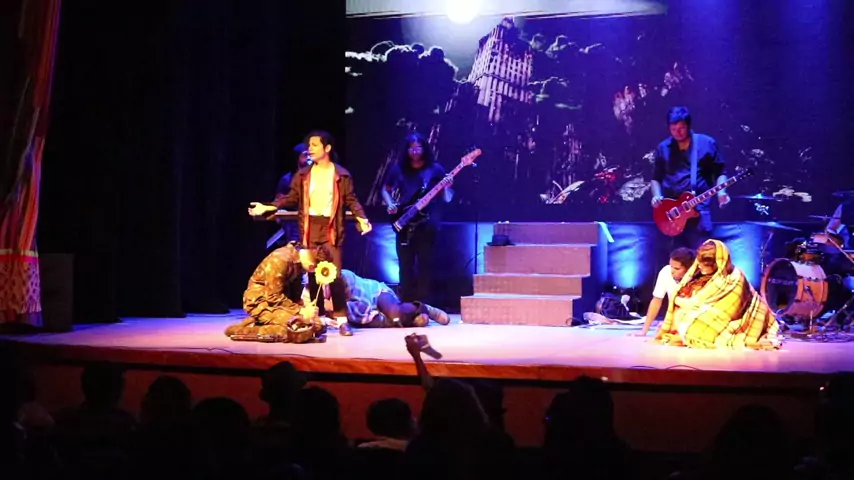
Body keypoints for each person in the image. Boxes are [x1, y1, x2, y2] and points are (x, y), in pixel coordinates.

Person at [248, 130, 372, 322]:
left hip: (331, 228)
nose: (310, 149)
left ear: (327, 148)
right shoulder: (303, 175)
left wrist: (362, 218)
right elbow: (291, 198)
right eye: (309, 145)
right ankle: (317, 317)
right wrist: (269, 206)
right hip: (310, 227)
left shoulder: (341, 175)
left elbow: (351, 199)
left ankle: (341, 319)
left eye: (314, 145)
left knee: (334, 274)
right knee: (313, 274)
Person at [654, 239, 781, 349]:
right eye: (699, 263)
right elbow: (689, 297)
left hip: (738, 319)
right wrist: (682, 302)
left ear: (716, 263)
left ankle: (686, 337)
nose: (700, 267)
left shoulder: (734, 277)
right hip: (708, 310)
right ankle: (685, 336)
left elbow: (729, 310)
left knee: (694, 324)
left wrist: (691, 305)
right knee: (681, 315)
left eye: (705, 265)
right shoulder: (701, 272)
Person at [382, 132, 453, 303]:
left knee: (425, 264)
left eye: (418, 148)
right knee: (405, 264)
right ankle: (406, 304)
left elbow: (447, 198)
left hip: (428, 224)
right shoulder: (398, 168)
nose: (415, 152)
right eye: (411, 149)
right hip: (404, 222)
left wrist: (447, 186)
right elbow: (385, 189)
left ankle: (424, 304)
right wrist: (390, 204)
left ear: (425, 148)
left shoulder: (435, 169)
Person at [650, 106, 730, 250]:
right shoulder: (663, 147)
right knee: (675, 259)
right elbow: (656, 178)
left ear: (688, 126)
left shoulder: (706, 144)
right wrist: (656, 196)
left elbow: (720, 172)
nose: (677, 132)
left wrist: (721, 193)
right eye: (673, 129)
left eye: (681, 128)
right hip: (671, 215)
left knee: (702, 256)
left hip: (699, 212)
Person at [223, 243, 322, 337]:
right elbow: (273, 296)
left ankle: (258, 322)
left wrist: (307, 309)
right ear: (311, 267)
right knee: (295, 327)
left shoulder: (298, 263)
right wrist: (300, 311)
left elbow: (295, 296)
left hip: (279, 304)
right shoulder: (281, 259)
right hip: (261, 303)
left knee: (315, 325)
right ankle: (244, 330)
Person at [338, 268, 450, 329]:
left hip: (376, 294)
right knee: (387, 322)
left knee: (394, 313)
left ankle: (425, 309)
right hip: (366, 315)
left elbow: (360, 304)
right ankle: (415, 320)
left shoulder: (343, 277)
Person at [630, 247, 695, 337]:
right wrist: (644, 331)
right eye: (671, 266)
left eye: (677, 268)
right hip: (675, 318)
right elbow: (656, 301)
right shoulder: (665, 272)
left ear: (689, 269)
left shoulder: (697, 278)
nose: (672, 271)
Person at [271, 143, 312, 246]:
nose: (309, 158)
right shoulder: (287, 179)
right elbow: (278, 202)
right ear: (297, 158)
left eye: (310, 155)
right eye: (305, 155)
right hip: (295, 223)